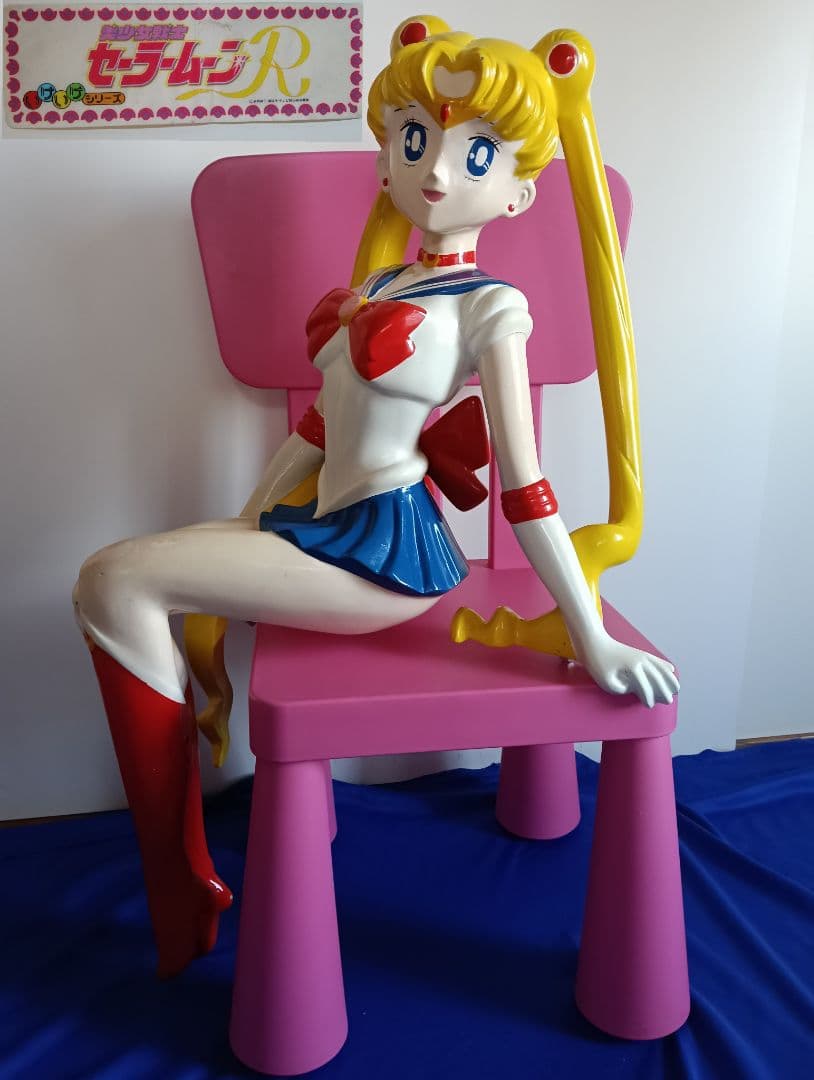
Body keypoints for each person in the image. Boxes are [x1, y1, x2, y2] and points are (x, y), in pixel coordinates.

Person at [73, 16, 679, 977]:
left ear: (518, 190)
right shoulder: (382, 282)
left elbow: (524, 489)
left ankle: (174, 875)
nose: (435, 170)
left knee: (113, 579)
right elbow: (318, 430)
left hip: (384, 559)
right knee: (119, 579)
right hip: (318, 527)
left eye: (474, 153)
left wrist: (590, 633)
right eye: (414, 139)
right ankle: (176, 868)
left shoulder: (492, 308)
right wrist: (248, 520)